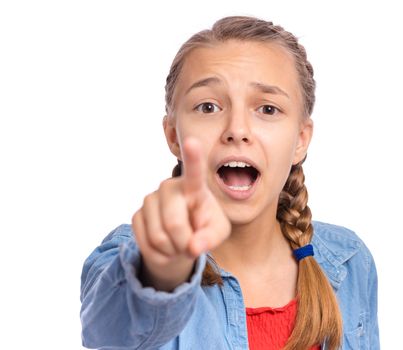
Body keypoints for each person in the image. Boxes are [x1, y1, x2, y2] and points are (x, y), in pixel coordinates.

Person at [80, 16, 379, 350]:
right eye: (208, 107)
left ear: (300, 139)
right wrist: (159, 271)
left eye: (267, 108)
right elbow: (105, 330)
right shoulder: (124, 255)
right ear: (173, 135)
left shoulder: (350, 261)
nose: (237, 129)